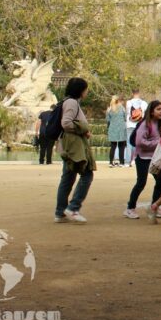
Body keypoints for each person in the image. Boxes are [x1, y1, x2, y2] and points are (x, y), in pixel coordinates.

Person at [55, 78, 95, 223]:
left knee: (68, 177)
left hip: (68, 145)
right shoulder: (72, 103)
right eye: (85, 89)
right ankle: (73, 207)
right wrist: (83, 130)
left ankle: (60, 212)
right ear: (80, 90)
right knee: (87, 175)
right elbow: (66, 123)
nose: (87, 91)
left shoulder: (68, 101)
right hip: (73, 146)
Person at [125, 100, 161, 219]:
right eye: (158, 109)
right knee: (141, 182)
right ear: (151, 112)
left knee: (160, 181)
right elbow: (139, 142)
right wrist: (157, 143)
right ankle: (130, 208)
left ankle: (154, 206)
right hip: (142, 157)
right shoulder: (145, 124)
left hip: (155, 158)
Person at [124, 90, 147, 166]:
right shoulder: (144, 103)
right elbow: (145, 114)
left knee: (128, 142)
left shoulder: (128, 102)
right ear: (139, 93)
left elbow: (127, 113)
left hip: (130, 124)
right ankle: (134, 160)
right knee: (136, 143)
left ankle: (127, 162)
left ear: (132, 93)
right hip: (139, 125)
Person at [106, 95, 127, 167]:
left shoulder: (109, 109)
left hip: (112, 128)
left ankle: (111, 162)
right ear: (119, 100)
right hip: (121, 128)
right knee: (121, 146)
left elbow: (108, 120)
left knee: (113, 146)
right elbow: (125, 118)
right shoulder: (122, 108)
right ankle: (121, 163)